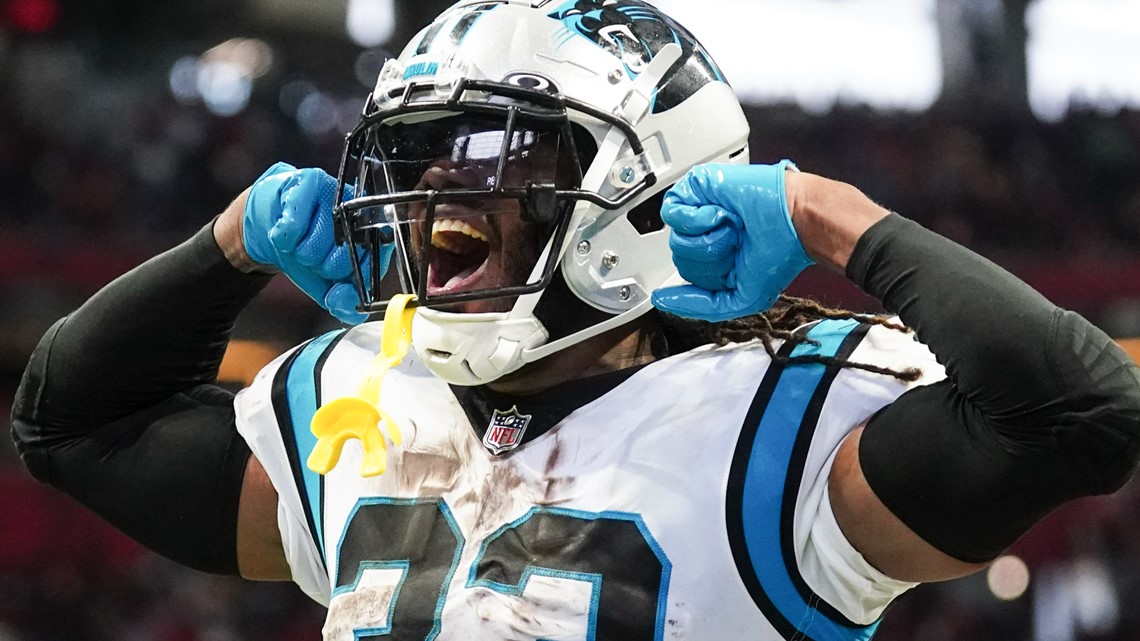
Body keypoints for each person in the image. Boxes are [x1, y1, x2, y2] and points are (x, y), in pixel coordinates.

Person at [11, 1, 1140, 639]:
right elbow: (66, 422)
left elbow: (1083, 407)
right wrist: (230, 246)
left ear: (651, 184)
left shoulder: (780, 420)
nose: (441, 196)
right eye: (425, 157)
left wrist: (830, 216)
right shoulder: (359, 393)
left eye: (501, 157)